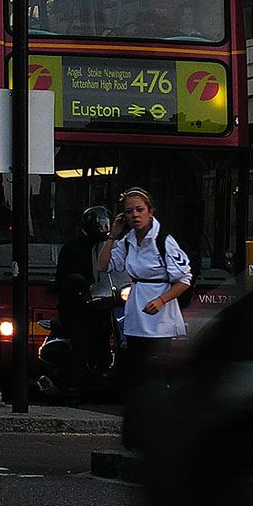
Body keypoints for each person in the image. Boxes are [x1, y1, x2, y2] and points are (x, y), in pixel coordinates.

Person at [96, 187, 192, 445]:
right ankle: (135, 432)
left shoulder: (163, 241)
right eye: (129, 212)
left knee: (154, 374)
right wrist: (112, 236)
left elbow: (184, 280)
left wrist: (161, 300)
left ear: (151, 212)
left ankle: (160, 429)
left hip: (159, 317)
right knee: (135, 374)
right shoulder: (127, 241)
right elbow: (103, 266)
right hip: (137, 314)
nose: (135, 216)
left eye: (139, 210)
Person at [54, 206, 113, 397]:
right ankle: (73, 388)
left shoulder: (111, 248)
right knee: (81, 340)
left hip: (101, 304)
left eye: (105, 225)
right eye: (99, 225)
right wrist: (80, 291)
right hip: (76, 306)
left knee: (107, 332)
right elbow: (64, 280)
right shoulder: (73, 249)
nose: (102, 229)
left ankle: (106, 373)